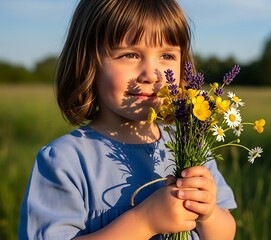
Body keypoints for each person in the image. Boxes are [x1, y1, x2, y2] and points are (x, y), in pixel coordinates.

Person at [18, 0, 237, 239]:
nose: (152, 75)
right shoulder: (66, 161)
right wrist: (144, 222)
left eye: (166, 55)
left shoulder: (191, 145)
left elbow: (224, 233)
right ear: (89, 62)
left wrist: (208, 215)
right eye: (130, 55)